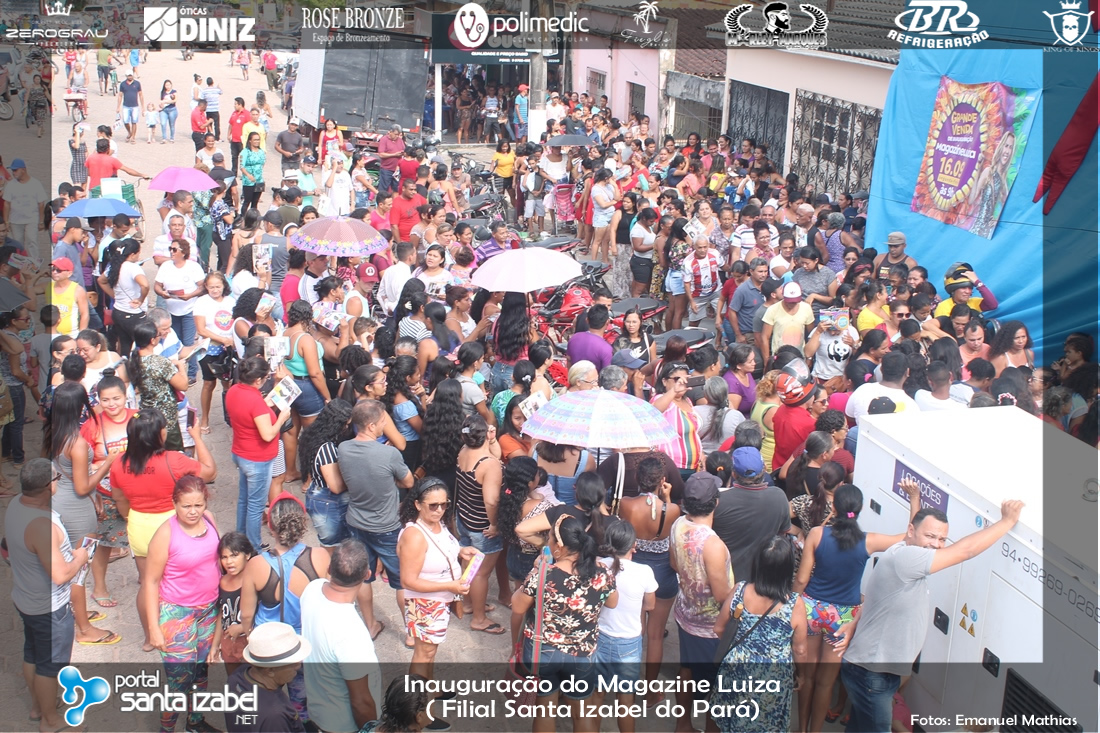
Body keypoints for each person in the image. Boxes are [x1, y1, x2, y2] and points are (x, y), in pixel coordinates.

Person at [838, 499, 1024, 731]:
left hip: (872, 672)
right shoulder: (907, 559)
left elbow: (877, 601)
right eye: (930, 536)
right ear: (911, 531)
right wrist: (1006, 521)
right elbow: (965, 551)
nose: (936, 544)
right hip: (873, 675)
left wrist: (855, 622)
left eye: (942, 539)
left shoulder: (900, 552)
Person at [793, 482, 921, 733]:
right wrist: (914, 499)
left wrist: (793, 605)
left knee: (806, 677)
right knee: (825, 683)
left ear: (834, 508)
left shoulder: (817, 534)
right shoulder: (868, 541)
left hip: (812, 609)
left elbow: (801, 579)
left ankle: (802, 729)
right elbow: (910, 539)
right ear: (859, 510)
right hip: (843, 617)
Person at [5, 459, 91, 733]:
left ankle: (37, 707)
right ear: (47, 487)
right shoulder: (42, 526)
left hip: (25, 599)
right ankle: (50, 720)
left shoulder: (16, 504)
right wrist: (80, 557)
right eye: (56, 479)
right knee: (50, 666)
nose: (58, 483)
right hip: (50, 609)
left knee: (32, 654)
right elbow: (61, 575)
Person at [510, 515, 618, 733]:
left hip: (543, 652)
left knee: (545, 711)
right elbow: (613, 603)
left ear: (559, 546)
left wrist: (536, 570)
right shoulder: (602, 573)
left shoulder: (544, 574)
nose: (548, 542)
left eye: (549, 538)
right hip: (581, 654)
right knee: (581, 713)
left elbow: (518, 607)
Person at [239, 494, 330, 723]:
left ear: (270, 527)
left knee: (267, 701)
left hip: (269, 647)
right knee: (302, 701)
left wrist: (249, 635)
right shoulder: (320, 557)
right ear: (303, 524)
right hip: (303, 643)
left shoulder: (256, 565)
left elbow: (247, 613)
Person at [142, 475, 222, 733]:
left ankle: (195, 722)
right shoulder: (165, 534)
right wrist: (153, 628)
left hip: (208, 611)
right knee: (179, 681)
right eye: (186, 506)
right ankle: (167, 729)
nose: (193, 511)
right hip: (177, 615)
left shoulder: (210, 520)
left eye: (198, 505)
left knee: (201, 672)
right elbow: (150, 582)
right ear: (174, 503)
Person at [712, 536, 808, 733]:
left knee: (732, 722)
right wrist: (802, 674)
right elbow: (800, 649)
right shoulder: (794, 604)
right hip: (773, 676)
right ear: (787, 569)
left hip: (736, 668)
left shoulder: (739, 590)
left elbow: (719, 628)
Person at [338, 400, 414, 638]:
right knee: (402, 581)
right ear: (371, 426)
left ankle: (370, 625)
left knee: (363, 576)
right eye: (383, 421)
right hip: (387, 527)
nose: (385, 425)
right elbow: (409, 482)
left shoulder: (343, 448)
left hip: (356, 523)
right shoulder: (389, 453)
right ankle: (411, 633)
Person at [397, 476, 475, 697]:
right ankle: (416, 706)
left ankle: (430, 690)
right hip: (425, 603)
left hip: (439, 602)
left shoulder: (436, 523)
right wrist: (451, 586)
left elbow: (442, 547)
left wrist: (461, 551)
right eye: (433, 505)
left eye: (444, 504)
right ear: (417, 504)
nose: (439, 510)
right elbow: (407, 581)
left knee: (430, 652)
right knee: (424, 654)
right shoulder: (415, 535)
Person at [668, 472, 735, 733]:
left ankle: (682, 725)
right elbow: (721, 595)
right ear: (715, 502)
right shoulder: (712, 544)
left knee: (686, 670)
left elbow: (674, 563)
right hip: (710, 627)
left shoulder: (678, 524)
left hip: (685, 613)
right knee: (717, 687)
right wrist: (740, 593)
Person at [301, 539, 383, 733]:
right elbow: (361, 701)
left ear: (329, 568)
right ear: (367, 574)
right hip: (344, 725)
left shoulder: (312, 589)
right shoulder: (351, 633)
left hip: (319, 711)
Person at [79, 371, 136, 609]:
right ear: (98, 400)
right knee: (103, 542)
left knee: (145, 536)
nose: (112, 404)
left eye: (116, 398)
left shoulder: (138, 418)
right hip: (105, 493)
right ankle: (99, 587)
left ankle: (148, 576)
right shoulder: (91, 425)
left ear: (126, 396)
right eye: (106, 400)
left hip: (138, 490)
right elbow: (81, 464)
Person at [225, 356, 292, 550]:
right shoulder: (255, 401)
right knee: (255, 505)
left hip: (241, 452)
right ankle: (253, 546)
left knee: (244, 500)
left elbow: (253, 409)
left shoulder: (234, 390)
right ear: (257, 380)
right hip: (257, 459)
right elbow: (268, 434)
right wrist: (282, 418)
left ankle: (240, 538)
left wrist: (267, 400)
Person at [455, 415, 505, 634]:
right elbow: (491, 501)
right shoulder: (489, 465)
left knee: (469, 565)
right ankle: (479, 618)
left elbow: (495, 455)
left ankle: (468, 603)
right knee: (481, 573)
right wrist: (494, 524)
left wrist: (491, 440)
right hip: (482, 526)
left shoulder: (463, 452)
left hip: (464, 518)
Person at [225, 621, 311, 733]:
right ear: (269, 670)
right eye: (292, 663)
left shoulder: (236, 677)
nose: (298, 666)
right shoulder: (274, 717)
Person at [129, 320, 189, 451]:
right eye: (158, 336)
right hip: (166, 419)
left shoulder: (133, 361)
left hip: (147, 416)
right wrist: (181, 367)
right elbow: (183, 385)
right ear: (152, 340)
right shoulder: (160, 362)